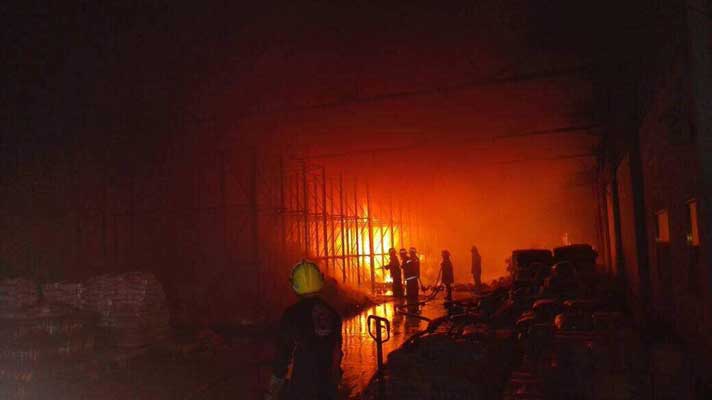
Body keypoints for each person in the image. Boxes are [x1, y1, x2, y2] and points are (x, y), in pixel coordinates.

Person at [266, 260, 343, 400]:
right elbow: (337, 354)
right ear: (320, 281)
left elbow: (282, 357)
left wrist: (272, 391)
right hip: (327, 390)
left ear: (295, 285)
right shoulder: (333, 313)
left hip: (300, 390)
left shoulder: (291, 315)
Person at [404, 247, 421, 313]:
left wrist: (404, 264)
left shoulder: (411, 259)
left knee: (411, 290)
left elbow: (407, 265)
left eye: (410, 253)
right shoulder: (416, 259)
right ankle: (414, 300)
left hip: (411, 277)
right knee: (414, 289)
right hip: (414, 277)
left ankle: (412, 304)